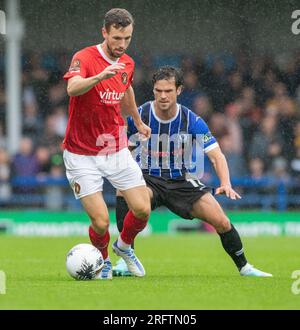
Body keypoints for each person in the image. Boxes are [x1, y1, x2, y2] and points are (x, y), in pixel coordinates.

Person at [113, 66, 273, 277]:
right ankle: (126, 257)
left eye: (168, 91)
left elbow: (216, 155)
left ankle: (245, 267)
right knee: (123, 190)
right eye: (158, 90)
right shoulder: (140, 114)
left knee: (222, 221)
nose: (162, 96)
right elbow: (125, 148)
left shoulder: (192, 120)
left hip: (181, 181)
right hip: (147, 178)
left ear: (179, 90)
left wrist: (225, 182)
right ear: (153, 90)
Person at [63, 8, 152, 280]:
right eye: (116, 38)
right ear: (104, 32)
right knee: (101, 222)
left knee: (143, 208)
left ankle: (124, 247)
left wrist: (137, 121)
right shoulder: (85, 57)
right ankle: (102, 261)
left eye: (127, 38)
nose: (121, 44)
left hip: (114, 147)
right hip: (80, 153)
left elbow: (126, 88)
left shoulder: (127, 62)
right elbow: (72, 88)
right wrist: (100, 76)